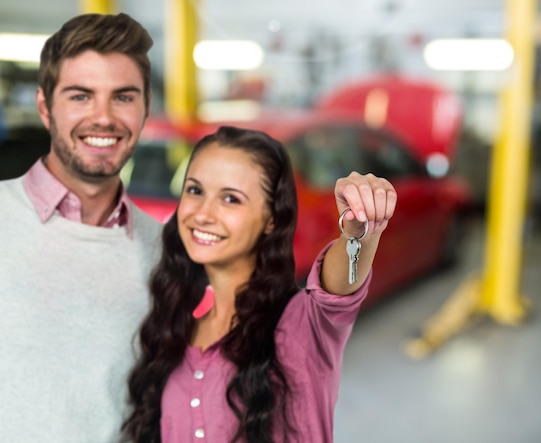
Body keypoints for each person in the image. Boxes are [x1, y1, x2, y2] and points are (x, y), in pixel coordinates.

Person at [123, 126, 397, 442]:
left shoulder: (301, 328)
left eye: (230, 199)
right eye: (195, 191)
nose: (203, 213)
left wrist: (360, 229)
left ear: (271, 218)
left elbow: (339, 288)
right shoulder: (173, 327)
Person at [0, 13, 162, 442]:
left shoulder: (166, 251)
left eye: (123, 97)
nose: (103, 118)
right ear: (44, 107)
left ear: (145, 109)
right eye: (81, 96)